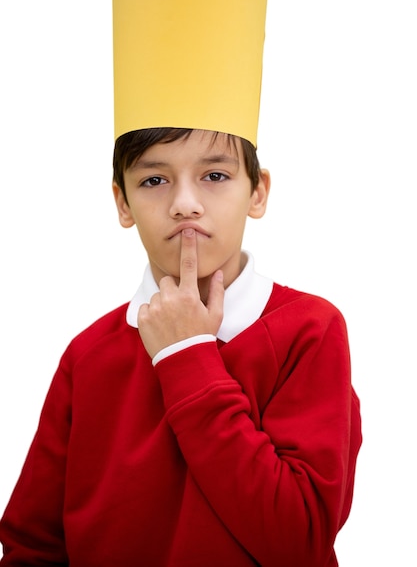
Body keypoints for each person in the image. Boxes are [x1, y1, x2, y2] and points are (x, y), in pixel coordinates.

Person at [0, 126, 362, 566]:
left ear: (258, 193)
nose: (184, 205)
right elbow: (33, 545)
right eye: (154, 180)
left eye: (214, 176)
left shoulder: (310, 330)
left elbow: (300, 542)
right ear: (122, 202)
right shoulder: (88, 355)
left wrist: (188, 357)